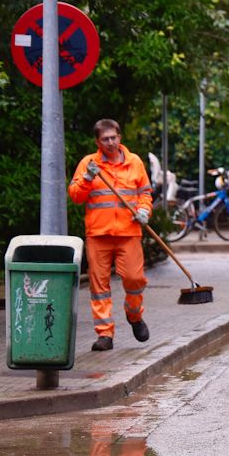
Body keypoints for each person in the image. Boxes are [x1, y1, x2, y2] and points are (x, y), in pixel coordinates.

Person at [68, 119, 153, 352]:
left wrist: (145, 209)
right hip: (98, 234)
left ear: (120, 137)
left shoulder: (134, 162)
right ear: (98, 142)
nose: (110, 142)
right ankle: (105, 333)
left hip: (129, 232)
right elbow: (75, 195)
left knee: (135, 280)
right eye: (105, 139)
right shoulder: (89, 163)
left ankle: (134, 316)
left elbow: (145, 192)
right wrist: (86, 178)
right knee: (99, 286)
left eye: (113, 137)